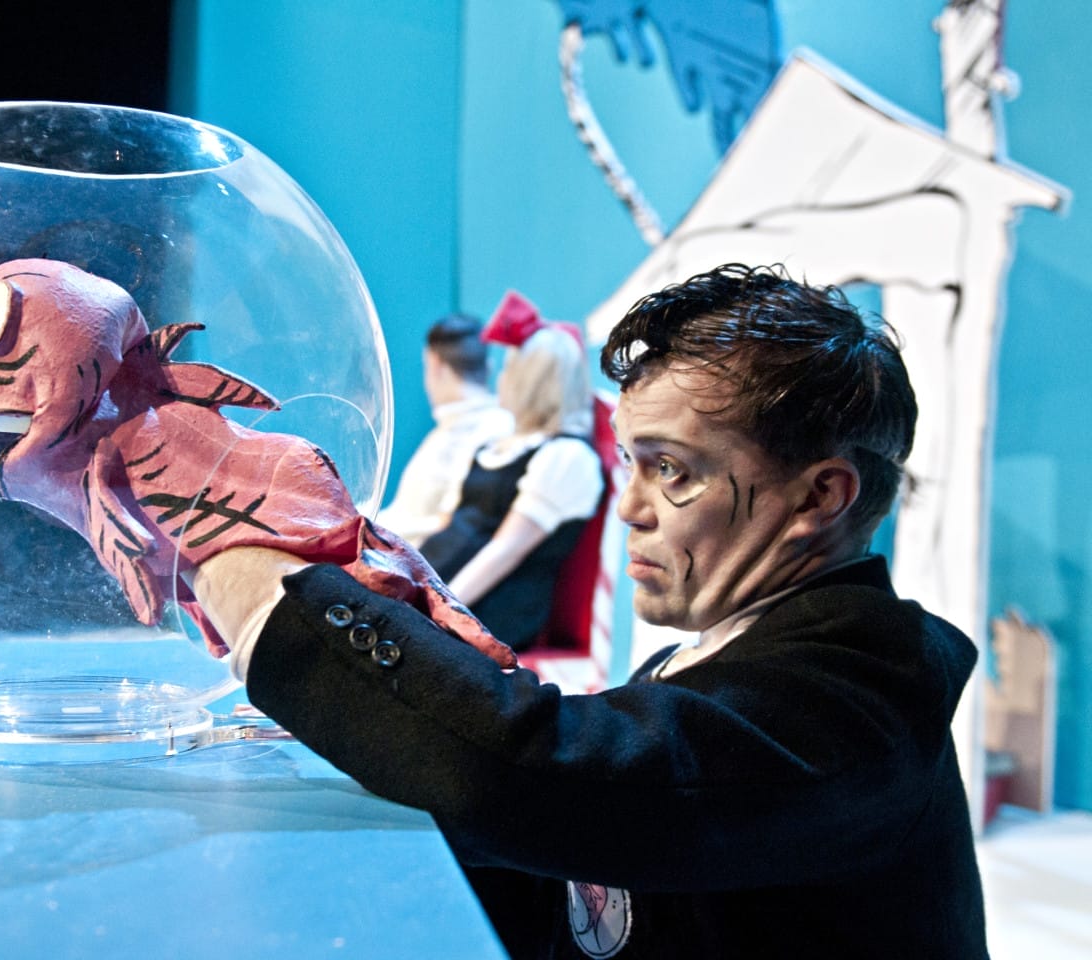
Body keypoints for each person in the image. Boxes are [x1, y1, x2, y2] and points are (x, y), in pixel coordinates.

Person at [189, 263, 988, 959]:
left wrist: (239, 565)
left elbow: (543, 776)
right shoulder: (714, 659)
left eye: (671, 470)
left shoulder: (866, 698)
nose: (630, 508)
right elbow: (581, 869)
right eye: (632, 463)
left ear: (818, 498)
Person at [419, 310, 605, 652]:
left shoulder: (566, 457)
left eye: (511, 369)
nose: (500, 378)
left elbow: (505, 551)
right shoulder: (498, 444)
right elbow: (449, 526)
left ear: (533, 384)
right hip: (442, 587)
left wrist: (438, 612)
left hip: (487, 614)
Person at [375, 313, 513, 546]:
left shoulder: (486, 432)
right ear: (488, 368)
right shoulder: (501, 428)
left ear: (436, 366)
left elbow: (450, 523)